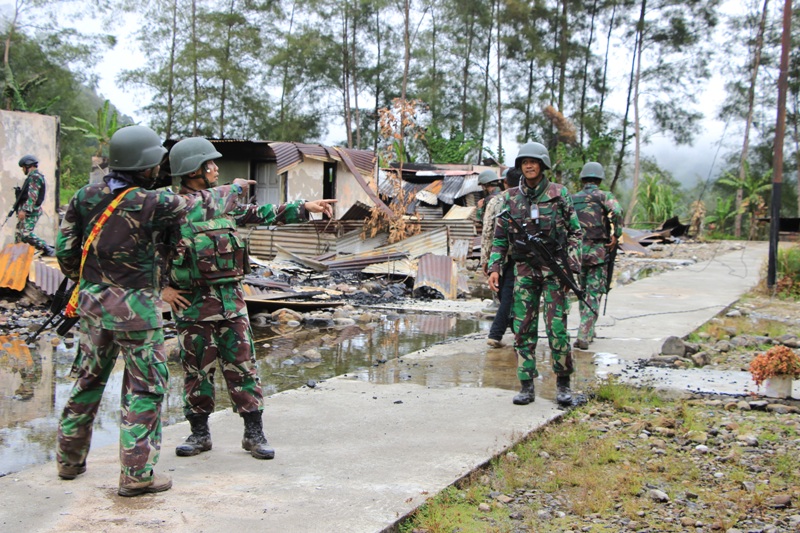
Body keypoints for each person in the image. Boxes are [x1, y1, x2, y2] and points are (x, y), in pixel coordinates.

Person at [55, 125, 254, 497]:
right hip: (136, 311)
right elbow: (202, 204)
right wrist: (237, 188)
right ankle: (137, 475)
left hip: (93, 308)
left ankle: (69, 461)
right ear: (145, 165)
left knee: (88, 381)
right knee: (145, 386)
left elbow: (66, 253)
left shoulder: (85, 196)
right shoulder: (151, 202)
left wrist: (97, 283)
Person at [161, 137, 335, 461]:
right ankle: (199, 434)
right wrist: (163, 288)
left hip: (231, 304)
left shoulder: (224, 205)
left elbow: (259, 213)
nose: (215, 168)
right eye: (209, 164)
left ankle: (254, 434)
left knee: (244, 368)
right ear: (192, 170)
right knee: (196, 371)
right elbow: (148, 252)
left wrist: (303, 207)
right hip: (193, 307)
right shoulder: (171, 210)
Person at [487, 142, 582, 407]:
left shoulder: (559, 193)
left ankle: (563, 385)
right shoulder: (509, 198)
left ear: (542, 165)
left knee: (557, 329)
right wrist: (494, 268)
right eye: (524, 162)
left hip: (554, 271)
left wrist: (571, 267)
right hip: (524, 271)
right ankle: (526, 385)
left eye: (534, 161)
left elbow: (575, 233)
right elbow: (499, 239)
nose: (529, 166)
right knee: (523, 329)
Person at [571, 162, 623, 350]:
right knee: (593, 292)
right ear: (599, 179)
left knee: (582, 290)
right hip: (597, 252)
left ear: (583, 179)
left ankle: (589, 329)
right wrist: (616, 234)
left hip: (577, 253)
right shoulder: (604, 196)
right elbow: (617, 211)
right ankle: (584, 333)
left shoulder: (573, 198)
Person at [481, 168, 521, 348]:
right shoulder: (520, 200)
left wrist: (487, 259)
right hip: (513, 256)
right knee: (508, 296)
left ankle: (514, 331)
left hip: (498, 257)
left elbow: (487, 231)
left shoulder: (494, 201)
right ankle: (496, 333)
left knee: (507, 295)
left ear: (505, 182)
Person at [15, 155, 54, 256]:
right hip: (26, 210)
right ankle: (17, 255)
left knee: (25, 234)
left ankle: (46, 248)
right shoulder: (31, 177)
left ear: (28, 166)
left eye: (23, 167)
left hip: (32, 211)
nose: (23, 170)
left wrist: (25, 210)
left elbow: (33, 196)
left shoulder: (35, 177)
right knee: (19, 235)